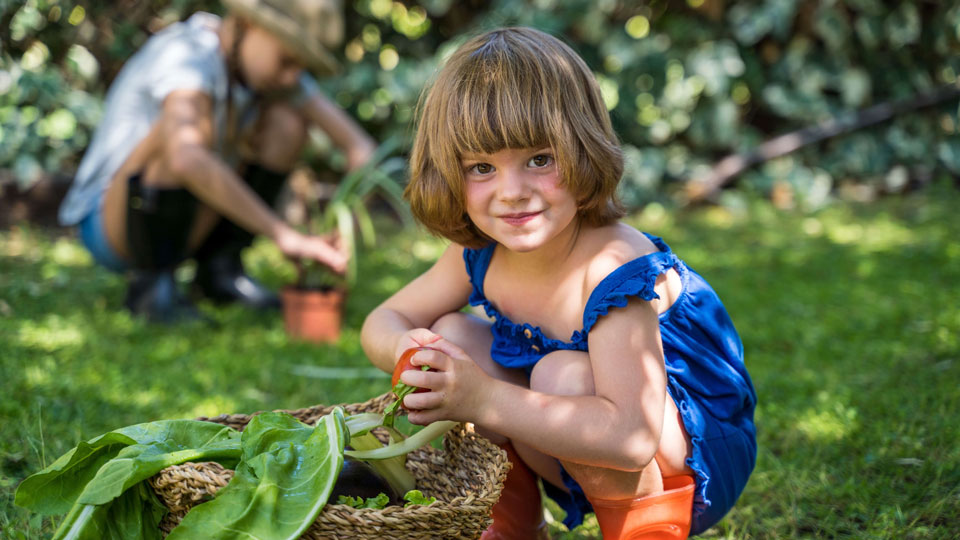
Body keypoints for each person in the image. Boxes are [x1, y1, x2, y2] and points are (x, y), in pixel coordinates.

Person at [360, 27, 757, 539]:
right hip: (572, 442)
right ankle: (512, 526)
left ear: (582, 149)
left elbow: (632, 438)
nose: (512, 193)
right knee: (453, 339)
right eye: (482, 167)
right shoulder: (478, 253)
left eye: (539, 160)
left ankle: (644, 532)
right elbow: (380, 322)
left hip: (687, 463)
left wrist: (481, 399)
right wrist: (411, 348)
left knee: (561, 377)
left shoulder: (614, 266)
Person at [57, 0, 376, 322]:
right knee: (182, 132)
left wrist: (340, 225)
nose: (292, 77)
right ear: (250, 26)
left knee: (287, 123)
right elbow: (186, 157)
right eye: (288, 60)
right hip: (111, 222)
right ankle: (152, 288)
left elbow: (360, 148)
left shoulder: (274, 72)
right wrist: (285, 235)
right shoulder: (188, 54)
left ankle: (218, 272)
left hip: (188, 220)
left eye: (302, 68)